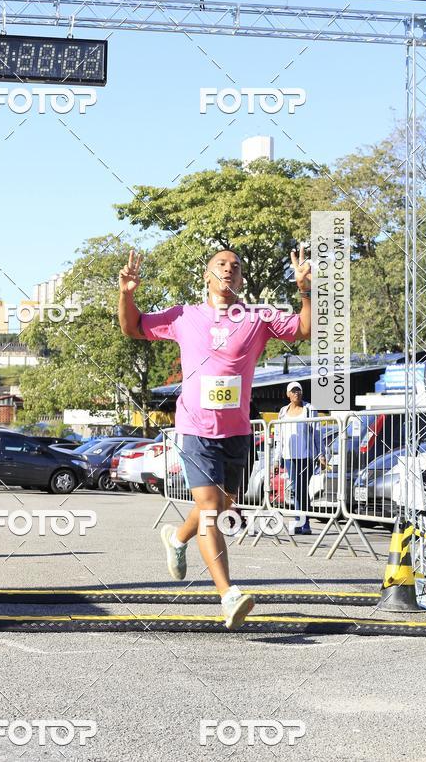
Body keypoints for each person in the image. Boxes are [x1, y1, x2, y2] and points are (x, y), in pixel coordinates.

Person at [118, 246, 312, 629]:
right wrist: (127, 293)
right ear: (207, 277)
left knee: (222, 506)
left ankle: (176, 538)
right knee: (210, 510)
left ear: (241, 280)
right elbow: (132, 326)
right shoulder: (184, 316)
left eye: (235, 266)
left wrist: (305, 291)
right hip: (195, 428)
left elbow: (304, 329)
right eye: (221, 265)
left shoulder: (257, 317)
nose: (229, 269)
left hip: (237, 431)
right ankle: (228, 596)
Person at [273, 381, 325, 535]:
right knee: (296, 488)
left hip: (305, 456)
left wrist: (321, 454)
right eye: (293, 391)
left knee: (302, 489)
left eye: (299, 390)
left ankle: (305, 522)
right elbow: (278, 437)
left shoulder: (309, 409)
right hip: (289, 457)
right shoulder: (283, 411)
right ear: (288, 394)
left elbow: (317, 432)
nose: (296, 393)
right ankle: (299, 521)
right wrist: (277, 459)